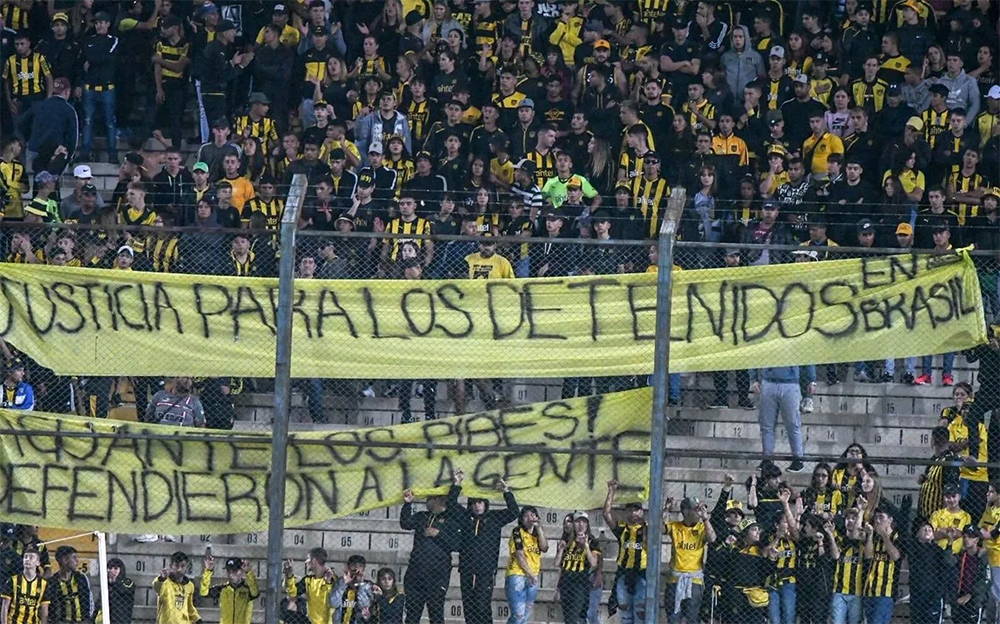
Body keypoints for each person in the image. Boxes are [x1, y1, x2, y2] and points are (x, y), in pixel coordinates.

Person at [450, 469, 518, 624]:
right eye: (474, 502)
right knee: (469, 606)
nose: (477, 505)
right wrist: (457, 484)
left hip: (485, 571)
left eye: (480, 502)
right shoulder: (465, 517)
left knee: (482, 606)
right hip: (467, 569)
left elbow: (514, 512)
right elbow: (451, 504)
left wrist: (506, 492)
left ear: (485, 503)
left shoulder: (494, 518)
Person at [399, 487, 462, 624]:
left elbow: (457, 545)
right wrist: (407, 504)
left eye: (429, 498)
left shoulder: (451, 520)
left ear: (438, 500)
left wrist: (438, 534)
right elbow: (405, 524)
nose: (426, 501)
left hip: (437, 576)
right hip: (416, 573)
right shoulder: (422, 516)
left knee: (436, 614)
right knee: (412, 615)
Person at [664, 497, 715, 624]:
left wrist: (705, 519)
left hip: (694, 580)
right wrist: (666, 510)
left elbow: (712, 538)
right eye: (696, 509)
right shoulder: (675, 526)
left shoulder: (702, 527)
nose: (699, 512)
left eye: (701, 509)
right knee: (673, 617)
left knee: (692, 617)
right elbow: (659, 528)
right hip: (675, 579)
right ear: (686, 511)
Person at [603, 479, 646, 624]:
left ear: (641, 512)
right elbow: (606, 514)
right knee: (625, 611)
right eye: (629, 510)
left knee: (640, 611)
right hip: (623, 571)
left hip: (642, 571)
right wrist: (611, 491)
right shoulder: (622, 529)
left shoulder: (647, 529)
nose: (633, 513)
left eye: (636, 509)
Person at [751, 366, 805, 472]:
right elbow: (753, 357)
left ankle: (798, 459)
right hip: (768, 381)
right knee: (767, 424)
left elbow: (807, 359)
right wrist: (753, 379)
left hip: (790, 382)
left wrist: (812, 380)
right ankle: (767, 458)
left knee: (793, 424)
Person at [505, 505, 548, 624]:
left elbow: (544, 548)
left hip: (533, 576)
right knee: (518, 615)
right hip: (517, 574)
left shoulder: (537, 535)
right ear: (521, 519)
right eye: (525, 516)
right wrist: (531, 574)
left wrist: (539, 529)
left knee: (525, 616)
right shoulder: (517, 531)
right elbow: (519, 555)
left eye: (532, 515)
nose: (529, 518)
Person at [557, 512, 601, 624]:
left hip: (580, 583)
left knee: (573, 618)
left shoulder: (592, 541)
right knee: (568, 618)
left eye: (584, 522)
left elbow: (593, 563)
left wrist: (586, 546)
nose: (581, 524)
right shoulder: (567, 540)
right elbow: (557, 563)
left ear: (587, 525)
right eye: (577, 521)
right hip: (565, 582)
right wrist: (561, 549)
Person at [199, 554, 259, 624]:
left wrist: (248, 572)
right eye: (228, 571)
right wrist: (208, 571)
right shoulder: (222, 589)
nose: (231, 574)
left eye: (234, 571)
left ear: (242, 571)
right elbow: (203, 592)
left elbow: (255, 593)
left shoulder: (248, 589)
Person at [0, 546, 51, 624]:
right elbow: (5, 606)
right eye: (25, 557)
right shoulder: (13, 580)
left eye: (31, 557)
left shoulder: (43, 584)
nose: (27, 559)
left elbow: (44, 610)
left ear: (38, 563)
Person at [283, 548, 334, 624]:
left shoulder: (332, 578)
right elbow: (292, 595)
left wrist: (328, 583)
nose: (305, 562)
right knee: (288, 614)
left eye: (307, 559)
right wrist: (289, 575)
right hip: (311, 621)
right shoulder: (308, 580)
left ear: (313, 561)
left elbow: (334, 601)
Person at [152, 552, 200, 624]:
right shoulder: (164, 582)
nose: (179, 569)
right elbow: (156, 586)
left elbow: (190, 607)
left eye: (182, 566)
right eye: (176, 566)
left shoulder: (189, 586)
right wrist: (161, 578)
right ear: (171, 566)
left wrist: (197, 619)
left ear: (186, 568)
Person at [52, 546, 91, 624]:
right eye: (74, 557)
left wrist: (86, 620)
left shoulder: (81, 578)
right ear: (64, 560)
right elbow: (52, 607)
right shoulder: (53, 581)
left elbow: (88, 601)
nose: (77, 561)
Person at [328, 555, 373, 624]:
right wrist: (344, 584)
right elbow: (333, 603)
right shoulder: (340, 582)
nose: (356, 568)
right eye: (353, 565)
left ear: (363, 569)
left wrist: (360, 584)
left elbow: (364, 607)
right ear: (348, 567)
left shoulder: (366, 585)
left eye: (360, 566)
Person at [96, 558, 135, 624]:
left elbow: (123, 590)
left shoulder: (128, 582)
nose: (112, 571)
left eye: (115, 569)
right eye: (110, 568)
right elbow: (98, 605)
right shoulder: (105, 587)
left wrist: (114, 581)